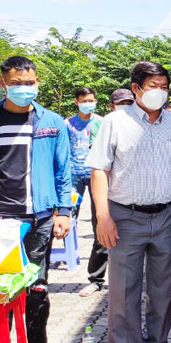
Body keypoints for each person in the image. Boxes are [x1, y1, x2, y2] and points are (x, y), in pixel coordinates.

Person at [85, 61, 171, 343]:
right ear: (136, 88)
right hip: (125, 216)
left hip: (166, 215)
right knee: (123, 289)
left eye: (164, 86)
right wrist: (103, 216)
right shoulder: (114, 122)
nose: (159, 92)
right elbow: (99, 170)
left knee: (163, 288)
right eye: (153, 86)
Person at [0, 56, 73, 343]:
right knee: (0, 289)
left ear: (37, 82)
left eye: (29, 83)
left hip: (39, 219)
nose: (24, 89)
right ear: (3, 83)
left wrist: (63, 210)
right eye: (16, 84)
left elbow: (62, 171)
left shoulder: (52, 122)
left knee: (37, 285)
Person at [81, 88, 135, 296]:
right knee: (102, 233)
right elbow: (103, 162)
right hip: (106, 189)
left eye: (129, 103)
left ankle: (127, 280)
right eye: (121, 103)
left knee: (129, 237)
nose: (125, 107)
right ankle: (96, 278)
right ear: (111, 106)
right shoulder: (101, 125)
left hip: (128, 191)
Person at [67, 88, 105, 297]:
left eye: (92, 100)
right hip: (73, 175)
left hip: (96, 176)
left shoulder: (101, 123)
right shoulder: (68, 124)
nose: (89, 104)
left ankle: (95, 277)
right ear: (77, 102)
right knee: (68, 216)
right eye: (85, 101)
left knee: (98, 222)